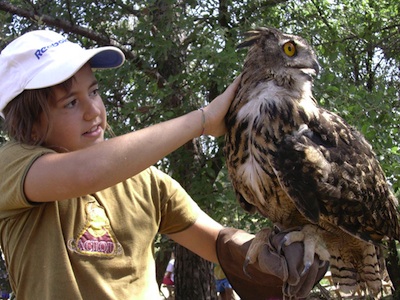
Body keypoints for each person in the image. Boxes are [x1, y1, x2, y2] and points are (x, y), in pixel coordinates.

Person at [0, 30, 328, 299]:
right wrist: (203, 120)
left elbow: (216, 241)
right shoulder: (12, 165)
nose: (93, 111)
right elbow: (84, 173)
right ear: (29, 125)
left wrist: (269, 255)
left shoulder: (147, 182)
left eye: (94, 91)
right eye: (71, 102)